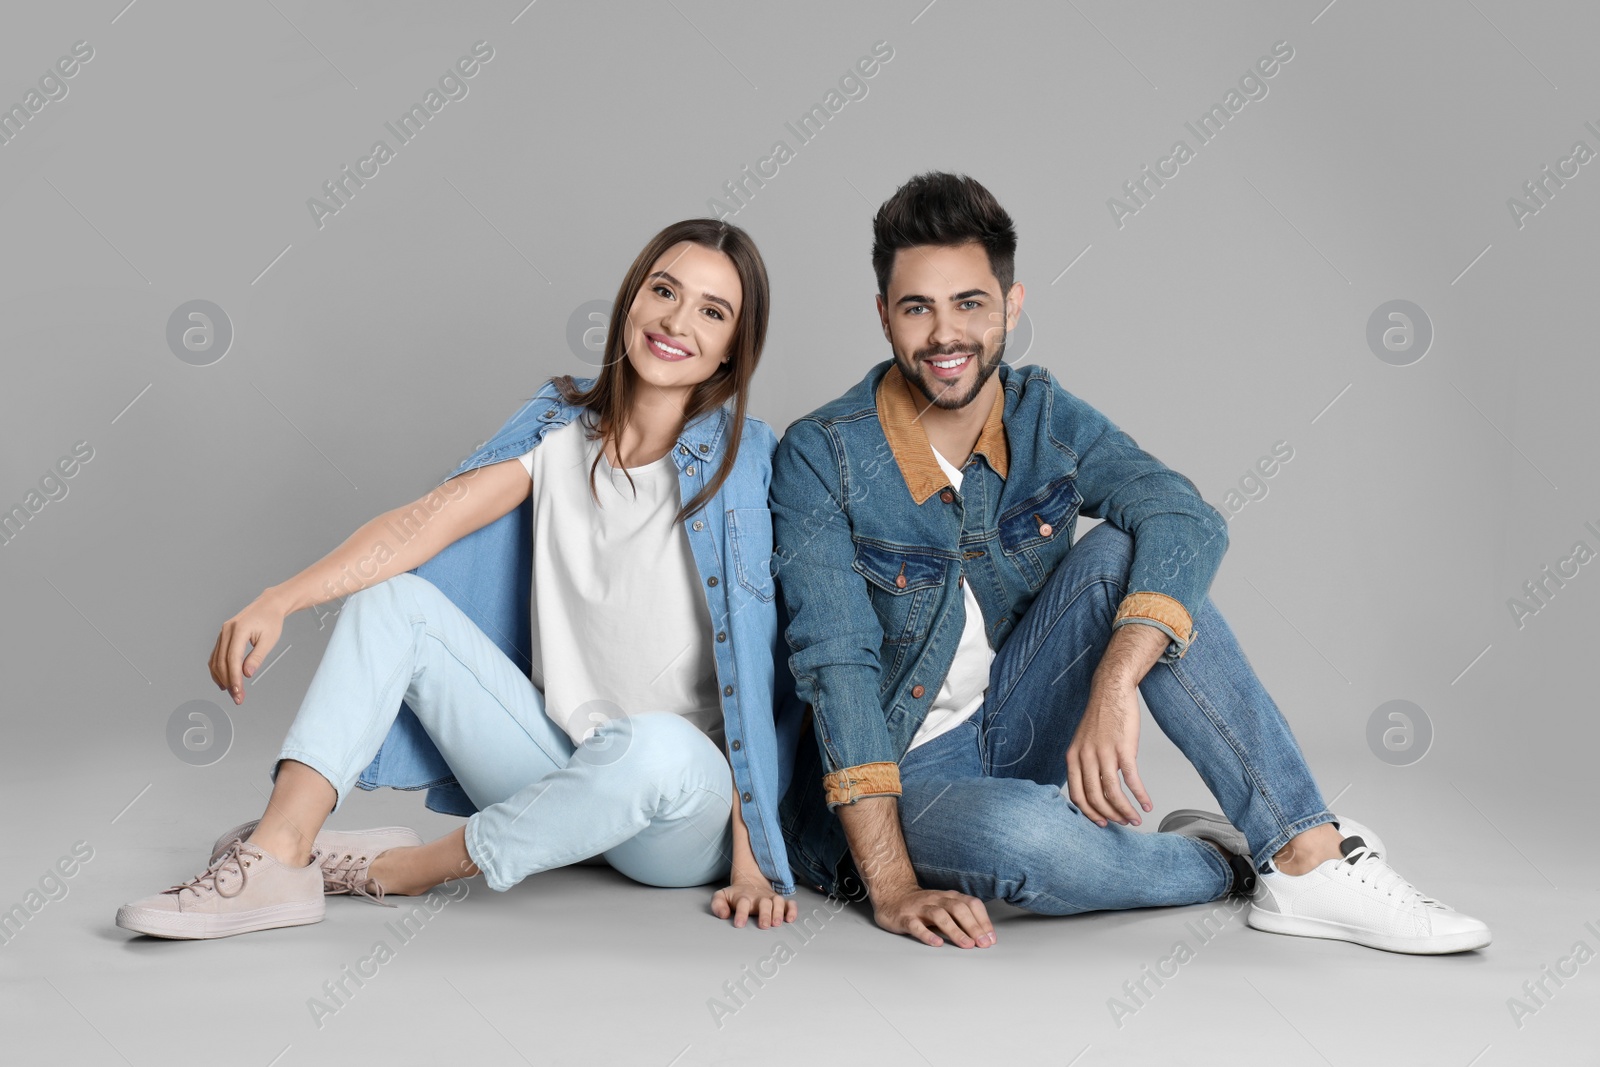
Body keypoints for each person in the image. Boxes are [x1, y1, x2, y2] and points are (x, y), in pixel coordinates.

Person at [771, 171, 1490, 955]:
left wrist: (1114, 683)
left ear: (1011, 308)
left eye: (969, 303)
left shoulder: (1040, 411)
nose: (946, 335)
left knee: (1128, 549)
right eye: (919, 307)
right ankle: (1232, 862)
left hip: (1017, 719)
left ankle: (1303, 850)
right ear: (884, 316)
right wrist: (893, 885)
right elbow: (836, 667)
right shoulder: (824, 454)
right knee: (1027, 843)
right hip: (904, 777)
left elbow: (1182, 514)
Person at [117, 218, 805, 939]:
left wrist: (754, 865)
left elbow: (762, 677)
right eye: (663, 290)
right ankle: (278, 853)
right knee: (393, 601)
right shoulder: (559, 428)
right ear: (632, 298)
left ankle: (404, 869)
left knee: (656, 743)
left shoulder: (745, 461)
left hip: (677, 817)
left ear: (733, 350)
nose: (676, 320)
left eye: (711, 311)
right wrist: (281, 597)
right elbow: (422, 524)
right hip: (553, 769)